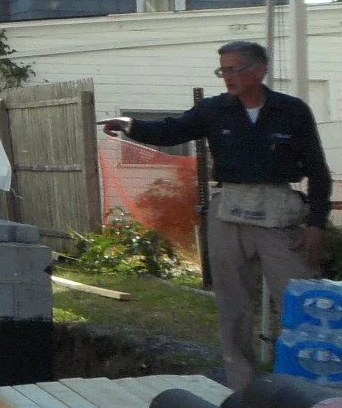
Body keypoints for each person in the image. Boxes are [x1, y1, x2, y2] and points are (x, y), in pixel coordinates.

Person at [101, 40, 331, 389]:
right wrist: (131, 124)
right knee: (233, 303)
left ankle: (303, 387)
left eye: (234, 69)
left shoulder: (292, 110)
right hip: (229, 213)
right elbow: (171, 130)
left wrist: (316, 225)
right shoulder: (214, 110)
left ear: (259, 71)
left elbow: (318, 170)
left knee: (299, 299)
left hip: (278, 215)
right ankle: (244, 387)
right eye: (222, 69)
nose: (227, 77)